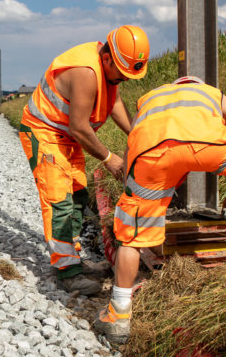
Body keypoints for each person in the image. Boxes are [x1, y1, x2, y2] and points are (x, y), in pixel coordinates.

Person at [94, 75, 226, 342]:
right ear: (196, 85)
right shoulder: (211, 93)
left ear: (174, 87)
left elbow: (133, 145)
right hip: (210, 145)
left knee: (132, 234)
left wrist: (142, 197)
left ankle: (118, 315)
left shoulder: (151, 98)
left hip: (151, 153)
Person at [19, 25, 150, 295]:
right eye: (122, 74)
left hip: (66, 137)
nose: (124, 80)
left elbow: (113, 104)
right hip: (45, 133)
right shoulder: (86, 73)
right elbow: (80, 127)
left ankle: (75, 259)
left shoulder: (108, 73)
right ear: (106, 58)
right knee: (60, 203)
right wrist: (109, 158)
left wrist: (138, 135)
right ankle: (67, 273)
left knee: (78, 197)